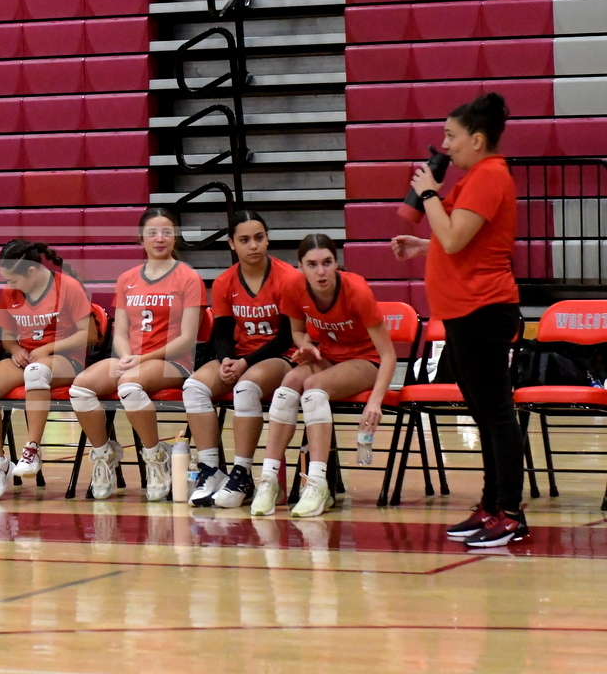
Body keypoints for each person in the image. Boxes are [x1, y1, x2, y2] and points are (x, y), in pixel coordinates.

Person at [392, 92, 527, 547]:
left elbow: (453, 239)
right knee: (483, 413)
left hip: (483, 309)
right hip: (463, 311)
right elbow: (460, 242)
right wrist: (422, 247)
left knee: (497, 414)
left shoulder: (490, 176)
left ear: (477, 139)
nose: (445, 145)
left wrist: (429, 192)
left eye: (451, 136)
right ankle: (491, 505)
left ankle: (510, 512)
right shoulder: (475, 178)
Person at [250, 234, 397, 518]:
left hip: (367, 360)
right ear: (301, 267)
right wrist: (305, 345)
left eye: (327, 262)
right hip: (328, 356)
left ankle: (317, 484)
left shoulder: (356, 290)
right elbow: (297, 332)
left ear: (336, 263)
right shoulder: (294, 287)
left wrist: (375, 401)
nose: (321, 271)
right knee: (287, 386)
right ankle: (269, 480)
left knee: (313, 388)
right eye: (312, 264)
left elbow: (389, 355)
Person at [70, 207, 207, 501]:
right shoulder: (127, 279)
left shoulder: (188, 277)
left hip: (173, 362)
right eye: (152, 233)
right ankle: (104, 453)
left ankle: (156, 456)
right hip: (132, 360)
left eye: (167, 232)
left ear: (175, 237)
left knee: (129, 384)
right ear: (140, 239)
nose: (160, 238)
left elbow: (187, 338)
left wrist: (140, 360)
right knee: (80, 387)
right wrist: (124, 357)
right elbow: (120, 332)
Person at [182, 210, 298, 508]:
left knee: (245, 387)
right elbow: (221, 333)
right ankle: (211, 470)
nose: (253, 245)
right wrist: (225, 360)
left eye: (259, 238)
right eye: (244, 240)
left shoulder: (288, 278)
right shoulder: (225, 282)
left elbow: (287, 337)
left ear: (268, 239)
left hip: (280, 356)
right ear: (232, 244)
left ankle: (243, 472)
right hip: (240, 357)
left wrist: (244, 363)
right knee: (194, 387)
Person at [0, 240, 94, 501]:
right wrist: (15, 349)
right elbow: (7, 336)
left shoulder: (68, 287)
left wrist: (49, 348)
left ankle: (33, 449)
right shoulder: (10, 294)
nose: (9, 285)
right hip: (27, 357)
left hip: (64, 358)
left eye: (13, 280)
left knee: (35, 372)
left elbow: (89, 334)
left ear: (32, 272)